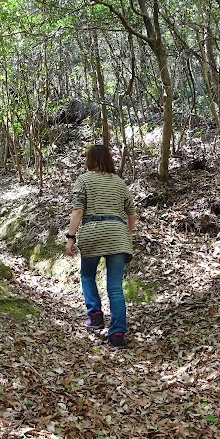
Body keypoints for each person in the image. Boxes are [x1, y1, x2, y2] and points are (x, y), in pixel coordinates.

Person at [65, 145, 137, 348]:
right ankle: (117, 334)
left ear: (90, 160)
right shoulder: (119, 182)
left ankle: (95, 315)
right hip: (118, 235)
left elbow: (78, 211)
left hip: (93, 233)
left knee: (87, 275)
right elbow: (132, 214)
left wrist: (70, 237)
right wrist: (126, 233)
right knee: (115, 287)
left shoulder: (84, 179)